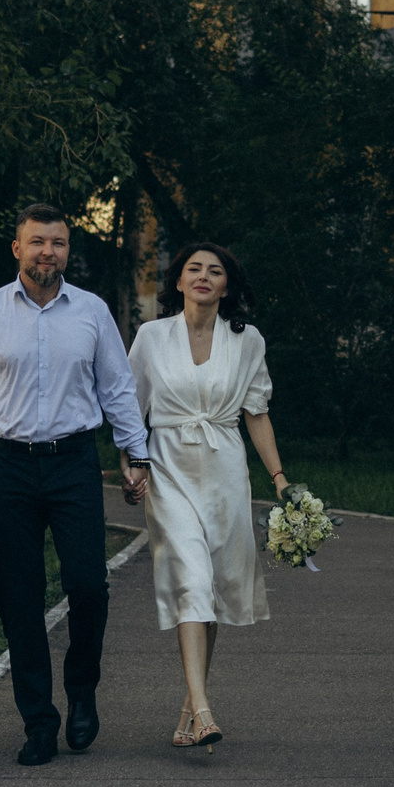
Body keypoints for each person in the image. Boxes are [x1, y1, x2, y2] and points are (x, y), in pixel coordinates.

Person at [0, 205, 150, 765]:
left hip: (74, 462)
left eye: (57, 243)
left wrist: (137, 454)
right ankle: (38, 721)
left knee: (88, 586)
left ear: (67, 250)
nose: (47, 252)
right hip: (7, 467)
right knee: (20, 597)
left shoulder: (92, 312)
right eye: (37, 242)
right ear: (17, 249)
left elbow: (118, 388)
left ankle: (82, 694)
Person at [126, 241, 287, 750]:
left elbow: (256, 412)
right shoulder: (152, 337)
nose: (203, 277)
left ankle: (187, 710)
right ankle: (204, 709)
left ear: (226, 285)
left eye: (214, 271)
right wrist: (129, 466)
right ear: (178, 282)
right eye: (193, 269)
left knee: (212, 590)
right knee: (190, 579)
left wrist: (281, 480)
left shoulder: (248, 341)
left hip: (224, 470)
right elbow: (128, 409)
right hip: (168, 469)